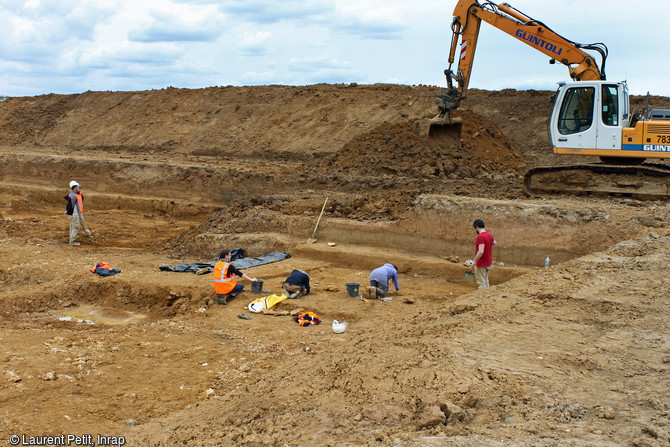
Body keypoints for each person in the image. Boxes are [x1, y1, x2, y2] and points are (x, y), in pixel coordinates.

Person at [470, 219, 496, 288]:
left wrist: (474, 261)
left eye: (475, 228)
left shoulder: (481, 237)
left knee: (481, 281)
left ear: (477, 227)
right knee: (485, 279)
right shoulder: (489, 234)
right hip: (488, 262)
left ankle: (482, 296)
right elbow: (494, 244)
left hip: (482, 263)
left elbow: (481, 251)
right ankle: (487, 295)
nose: (475, 230)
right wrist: (488, 249)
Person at [64, 180, 92, 246]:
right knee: (75, 227)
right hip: (74, 213)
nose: (79, 188)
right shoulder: (73, 196)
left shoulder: (76, 195)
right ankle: (72, 242)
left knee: (81, 224)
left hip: (78, 212)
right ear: (74, 188)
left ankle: (87, 234)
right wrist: (68, 211)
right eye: (78, 187)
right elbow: (70, 205)